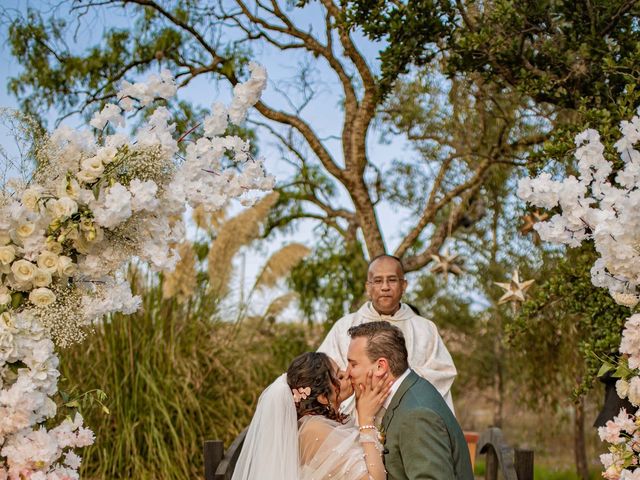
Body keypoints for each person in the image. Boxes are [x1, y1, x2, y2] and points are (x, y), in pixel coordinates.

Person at [319, 254, 457, 413]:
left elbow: (442, 373)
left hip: (409, 417)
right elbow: (325, 374)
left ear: (404, 285)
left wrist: (397, 381)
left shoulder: (425, 329)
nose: (385, 287)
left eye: (392, 280)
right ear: (368, 287)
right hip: (354, 421)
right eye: (377, 281)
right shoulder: (343, 327)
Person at [232, 351, 392, 480]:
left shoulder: (324, 421)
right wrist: (366, 421)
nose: (347, 373)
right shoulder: (314, 430)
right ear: (323, 397)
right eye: (339, 376)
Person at [347, 321, 474, 480]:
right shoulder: (408, 394)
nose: (347, 373)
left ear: (380, 367)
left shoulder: (417, 415)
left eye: (353, 364)